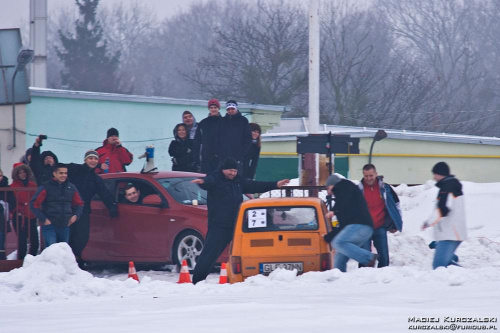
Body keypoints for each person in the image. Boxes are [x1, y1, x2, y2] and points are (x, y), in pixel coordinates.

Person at [191, 157, 289, 284]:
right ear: (223, 170)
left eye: (234, 171)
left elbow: (255, 185)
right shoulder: (216, 178)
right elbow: (209, 181)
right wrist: (202, 182)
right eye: (230, 171)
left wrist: (275, 184)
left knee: (244, 251)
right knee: (210, 254)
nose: (232, 173)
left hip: (236, 225)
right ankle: (197, 281)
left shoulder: (238, 182)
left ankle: (249, 278)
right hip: (219, 225)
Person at [66, 150, 118, 267]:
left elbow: (105, 194)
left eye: (95, 159)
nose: (93, 161)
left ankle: (74, 257)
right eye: (90, 158)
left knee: (83, 237)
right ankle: (70, 261)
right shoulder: (75, 169)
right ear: (85, 160)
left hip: (83, 211)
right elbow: (59, 170)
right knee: (68, 236)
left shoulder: (96, 179)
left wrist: (112, 206)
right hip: (68, 209)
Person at [323, 174, 377, 272]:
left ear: (333, 184)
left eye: (328, 188)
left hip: (359, 226)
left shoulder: (343, 186)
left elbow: (343, 201)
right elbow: (343, 225)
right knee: (341, 253)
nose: (328, 192)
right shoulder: (345, 194)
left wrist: (334, 211)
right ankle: (338, 276)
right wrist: (329, 236)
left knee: (338, 242)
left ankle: (369, 258)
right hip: (363, 228)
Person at [422, 162, 466, 269]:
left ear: (440, 173)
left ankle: (466, 277)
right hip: (452, 232)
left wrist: (428, 222)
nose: (434, 177)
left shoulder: (447, 187)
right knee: (445, 264)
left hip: (450, 233)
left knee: (439, 266)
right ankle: (463, 274)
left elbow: (443, 209)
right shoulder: (452, 185)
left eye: (435, 174)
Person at [358, 164, 403, 267]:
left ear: (376, 174)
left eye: (371, 175)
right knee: (364, 258)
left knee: (384, 257)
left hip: (380, 226)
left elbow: (395, 205)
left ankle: (383, 279)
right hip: (364, 228)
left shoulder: (385, 188)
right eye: (366, 176)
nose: (369, 178)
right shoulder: (359, 190)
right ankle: (362, 280)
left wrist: (395, 224)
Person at [30, 163, 84, 247]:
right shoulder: (46, 187)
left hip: (65, 226)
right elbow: (34, 204)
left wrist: (76, 216)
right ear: (54, 174)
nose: (64, 175)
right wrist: (44, 219)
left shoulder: (71, 187)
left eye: (65, 173)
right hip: (50, 225)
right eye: (61, 173)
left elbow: (80, 204)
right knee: (52, 251)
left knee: (62, 253)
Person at [10, 163, 39, 259]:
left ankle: (32, 260)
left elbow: (36, 200)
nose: (22, 174)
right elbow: (12, 203)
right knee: (22, 242)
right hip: (19, 217)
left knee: (35, 241)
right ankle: (21, 262)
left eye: (24, 172)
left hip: (31, 216)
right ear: (16, 174)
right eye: (20, 173)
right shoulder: (12, 187)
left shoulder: (32, 185)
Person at [215, 100, 252, 173]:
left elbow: (247, 138)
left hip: (237, 158)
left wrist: (242, 154)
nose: (230, 111)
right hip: (223, 158)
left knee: (236, 179)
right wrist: (218, 152)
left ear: (236, 108)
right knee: (221, 179)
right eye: (228, 109)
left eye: (232, 109)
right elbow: (217, 137)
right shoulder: (221, 121)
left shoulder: (243, 121)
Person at [193, 98, 222, 174]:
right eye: (211, 108)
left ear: (218, 108)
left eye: (215, 107)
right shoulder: (203, 123)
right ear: (209, 109)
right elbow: (197, 141)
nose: (213, 110)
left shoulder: (224, 122)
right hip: (206, 158)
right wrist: (197, 158)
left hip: (220, 157)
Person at [0, 169, 14, 260]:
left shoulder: (7, 188)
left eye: (0, 175)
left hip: (2, 220)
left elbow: (12, 202)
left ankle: (2, 261)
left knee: (1, 242)